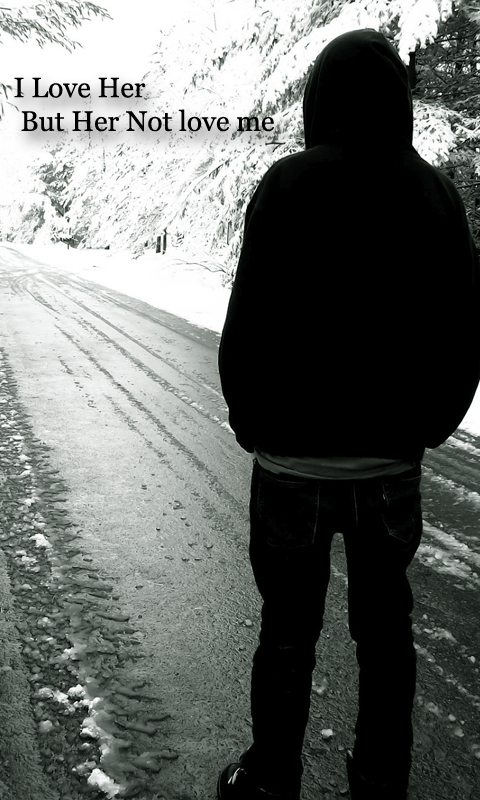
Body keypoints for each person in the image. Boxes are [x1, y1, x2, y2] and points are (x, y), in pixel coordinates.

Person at [216, 27, 480, 800]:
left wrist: (250, 416)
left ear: (318, 100)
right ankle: (382, 781)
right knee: (386, 636)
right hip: (389, 469)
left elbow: (250, 316)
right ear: (397, 101)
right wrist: (429, 424)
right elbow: (462, 327)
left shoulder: (286, 185)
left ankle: (270, 780)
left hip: (291, 465)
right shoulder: (431, 193)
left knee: (288, 633)